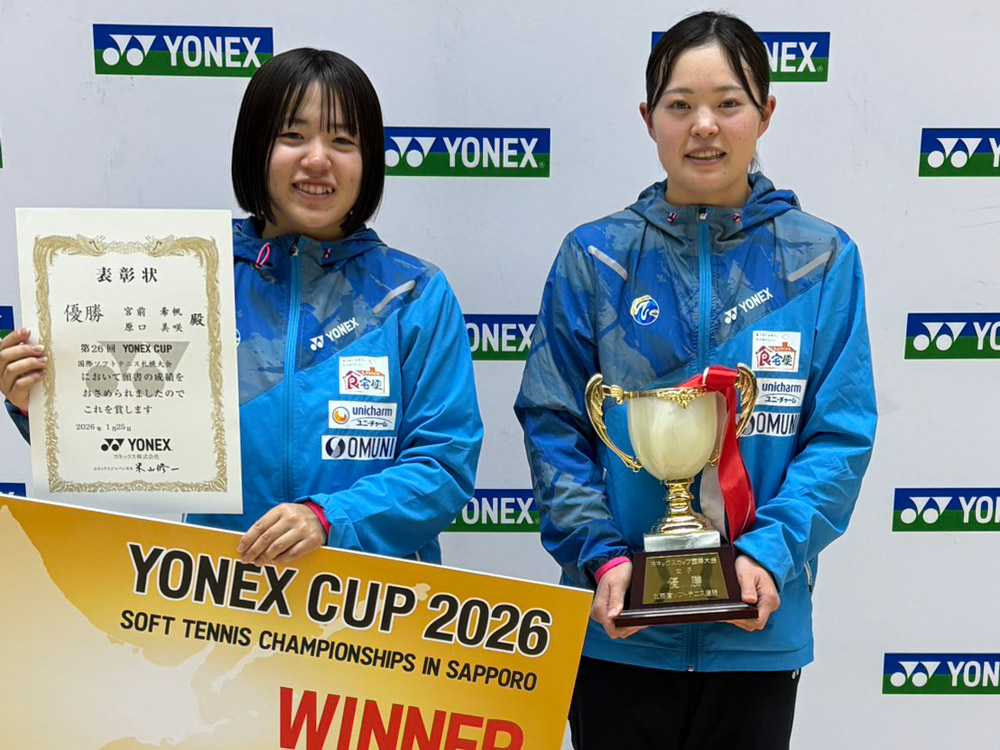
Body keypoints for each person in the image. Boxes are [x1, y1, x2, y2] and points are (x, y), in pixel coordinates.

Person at [514, 11, 876, 750]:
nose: (703, 126)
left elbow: (838, 435)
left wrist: (769, 554)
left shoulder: (821, 259)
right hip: (618, 629)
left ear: (765, 113)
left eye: (727, 103)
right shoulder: (596, 258)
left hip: (756, 628)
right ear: (648, 118)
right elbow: (554, 425)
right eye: (680, 105)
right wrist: (602, 556)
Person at [1, 48, 483, 568]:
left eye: (343, 141)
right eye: (292, 135)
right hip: (219, 591)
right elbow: (123, 432)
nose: (317, 159)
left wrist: (329, 519)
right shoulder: (187, 274)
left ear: (369, 163)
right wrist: (38, 403)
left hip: (369, 603)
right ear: (255, 147)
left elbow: (443, 465)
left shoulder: (413, 294)